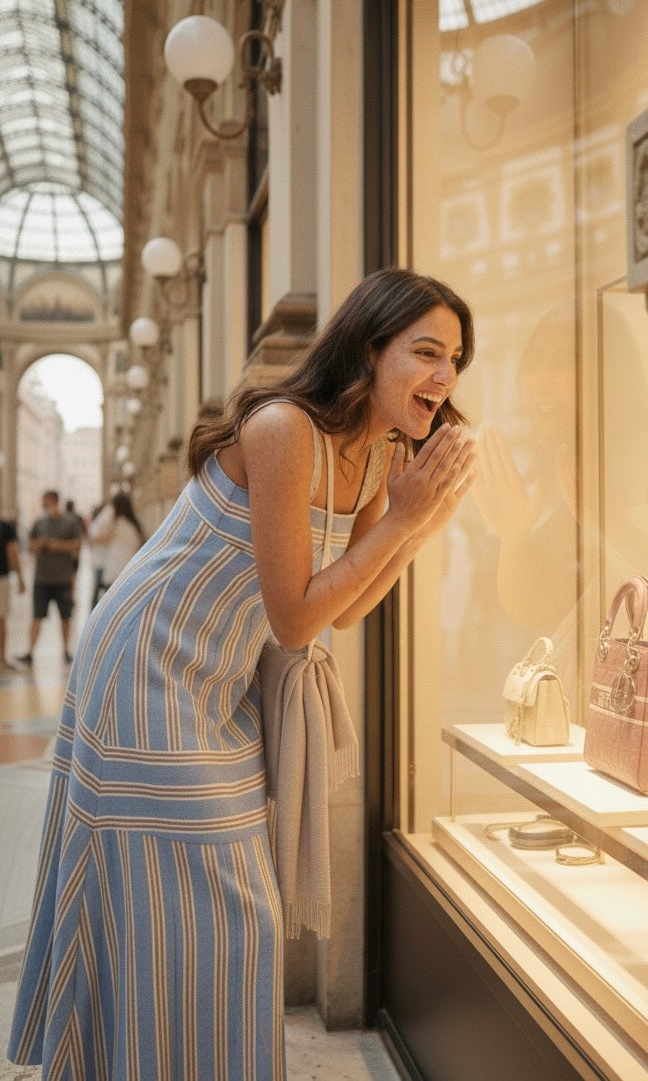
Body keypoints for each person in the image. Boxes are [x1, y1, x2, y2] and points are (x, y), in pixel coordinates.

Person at [8, 267, 475, 1080]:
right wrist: (405, 518)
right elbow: (296, 616)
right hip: (144, 665)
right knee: (217, 903)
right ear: (368, 353)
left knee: (231, 912)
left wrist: (416, 523)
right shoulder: (284, 428)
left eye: (456, 358)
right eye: (426, 351)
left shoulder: (374, 456)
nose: (445, 376)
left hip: (218, 684)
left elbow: (349, 607)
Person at [15, 490, 83, 667]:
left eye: (47, 503)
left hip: (63, 579)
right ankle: (30, 652)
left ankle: (66, 651)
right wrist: (40, 544)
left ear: (55, 502)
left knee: (65, 617)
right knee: (37, 616)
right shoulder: (39, 523)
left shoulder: (70, 522)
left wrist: (58, 546)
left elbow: (78, 544)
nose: (45, 507)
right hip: (42, 579)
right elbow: (30, 547)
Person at [88, 491, 145, 598]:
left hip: (115, 574)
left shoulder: (115, 524)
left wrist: (108, 510)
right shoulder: (134, 525)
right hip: (132, 574)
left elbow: (95, 536)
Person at [0, 515, 25, 671]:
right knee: (0, 620)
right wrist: (20, 578)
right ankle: (1, 659)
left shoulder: (5, 527)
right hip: (1, 578)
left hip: (2, 577)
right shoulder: (5, 526)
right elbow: (12, 553)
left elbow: (12, 553)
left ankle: (2, 658)